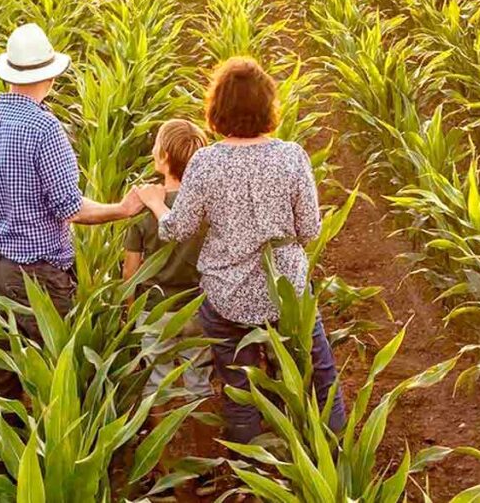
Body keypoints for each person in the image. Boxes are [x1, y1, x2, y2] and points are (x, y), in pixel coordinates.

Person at [136, 57, 347, 444]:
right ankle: (331, 457)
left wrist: (155, 204)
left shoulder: (205, 162)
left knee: (239, 387)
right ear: (268, 107)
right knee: (320, 374)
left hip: (227, 299)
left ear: (217, 110)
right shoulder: (292, 156)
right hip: (287, 295)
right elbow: (310, 230)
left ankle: (250, 467)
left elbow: (177, 229)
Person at [0, 23, 144, 341]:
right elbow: (70, 207)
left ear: (10, 76)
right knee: (53, 370)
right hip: (37, 276)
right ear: (51, 78)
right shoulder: (45, 129)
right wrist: (122, 209)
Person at [123, 119, 213, 400]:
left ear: (162, 157)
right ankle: (205, 443)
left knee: (155, 386)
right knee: (199, 382)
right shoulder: (207, 204)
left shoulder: (143, 207)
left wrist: (130, 310)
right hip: (198, 307)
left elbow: (131, 271)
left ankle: (160, 443)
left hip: (155, 311)